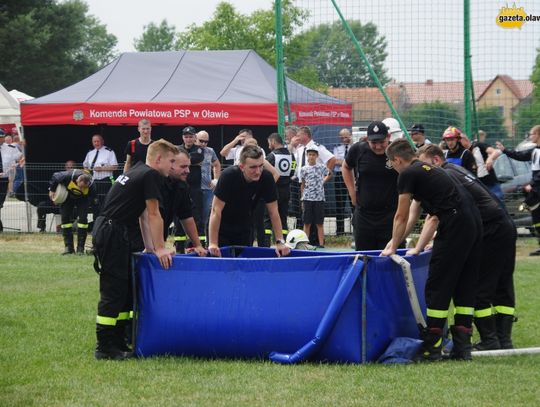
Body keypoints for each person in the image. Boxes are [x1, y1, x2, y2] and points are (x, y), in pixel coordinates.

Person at [381, 139, 482, 362]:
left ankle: (432, 347)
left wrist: (394, 247)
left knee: (438, 284)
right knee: (465, 284)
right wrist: (394, 242)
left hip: (455, 225)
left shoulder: (408, 174)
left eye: (392, 164)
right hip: (474, 223)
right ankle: (462, 348)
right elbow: (416, 216)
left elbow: (402, 215)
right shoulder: (429, 171)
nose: (394, 168)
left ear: (397, 160)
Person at [417, 144, 517, 350]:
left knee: (480, 285)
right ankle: (503, 339)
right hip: (505, 224)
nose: (423, 172)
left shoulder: (445, 175)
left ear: (435, 160)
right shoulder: (457, 170)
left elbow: (443, 213)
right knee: (502, 285)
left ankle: (490, 340)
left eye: (425, 165)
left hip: (490, 228)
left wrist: (424, 243)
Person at [92, 139, 178, 360]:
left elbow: (141, 215)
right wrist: (160, 248)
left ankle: (119, 340)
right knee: (114, 289)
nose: (172, 166)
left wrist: (149, 247)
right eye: (171, 161)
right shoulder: (150, 175)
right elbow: (153, 214)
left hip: (113, 230)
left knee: (125, 288)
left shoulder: (138, 170)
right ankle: (105, 346)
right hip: (113, 231)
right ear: (158, 159)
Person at [208, 145, 290, 258]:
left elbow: (274, 211)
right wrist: (213, 243)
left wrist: (280, 241)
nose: (258, 171)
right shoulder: (229, 175)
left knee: (243, 266)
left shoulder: (266, 178)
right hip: (222, 226)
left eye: (261, 166)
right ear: (242, 167)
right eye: (253, 167)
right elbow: (216, 211)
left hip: (245, 226)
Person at [342, 121, 400, 251]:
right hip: (364, 215)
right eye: (374, 142)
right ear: (367, 140)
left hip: (391, 215)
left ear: (389, 137)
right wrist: (352, 193)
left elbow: (410, 172)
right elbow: (346, 167)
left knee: (390, 257)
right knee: (365, 257)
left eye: (382, 142)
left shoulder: (397, 152)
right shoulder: (358, 150)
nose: (378, 146)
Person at [496, 125, 540, 256]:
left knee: (534, 212)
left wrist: (532, 184)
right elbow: (519, 155)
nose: (530, 136)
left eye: (531, 134)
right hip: (536, 189)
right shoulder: (534, 151)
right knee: (536, 217)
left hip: (537, 189)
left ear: (538, 134)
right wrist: (505, 150)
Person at [160, 148, 207, 257]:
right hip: (129, 237)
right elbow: (150, 217)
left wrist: (198, 245)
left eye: (188, 166)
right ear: (169, 164)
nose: (188, 171)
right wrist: (159, 247)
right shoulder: (154, 181)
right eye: (183, 167)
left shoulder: (181, 186)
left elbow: (186, 217)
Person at [294, 126, 336, 244]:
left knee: (318, 221)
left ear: (306, 135)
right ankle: (303, 242)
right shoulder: (300, 148)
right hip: (304, 188)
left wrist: (322, 180)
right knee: (304, 218)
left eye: (299, 134)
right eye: (310, 155)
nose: (297, 137)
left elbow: (332, 159)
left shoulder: (317, 147)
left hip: (317, 192)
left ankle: (317, 241)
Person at [49, 169, 95, 255]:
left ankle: (80, 249)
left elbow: (92, 198)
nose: (81, 189)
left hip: (83, 199)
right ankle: (68, 248)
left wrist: (85, 207)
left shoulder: (92, 185)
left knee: (83, 221)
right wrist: (52, 190)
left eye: (84, 188)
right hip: (68, 197)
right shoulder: (67, 176)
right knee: (65, 219)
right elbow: (55, 176)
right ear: (77, 180)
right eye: (80, 186)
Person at [173, 126, 205, 252]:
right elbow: (176, 160)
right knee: (178, 219)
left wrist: (182, 160)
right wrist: (189, 160)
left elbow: (198, 158)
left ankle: (198, 245)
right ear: (182, 137)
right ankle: (179, 248)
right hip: (180, 188)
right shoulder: (177, 149)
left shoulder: (199, 150)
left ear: (194, 137)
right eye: (186, 136)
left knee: (197, 218)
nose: (188, 139)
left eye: (191, 136)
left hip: (195, 189)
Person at [300, 145, 332, 247]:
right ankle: (305, 243)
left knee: (319, 223)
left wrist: (323, 181)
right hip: (307, 198)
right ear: (307, 155)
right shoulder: (303, 169)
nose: (311, 157)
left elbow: (330, 173)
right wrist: (302, 198)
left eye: (313, 155)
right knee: (307, 223)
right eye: (309, 154)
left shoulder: (321, 167)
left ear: (317, 156)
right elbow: (303, 184)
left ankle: (321, 244)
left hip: (319, 198)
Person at [460, 132, 503, 200]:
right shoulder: (462, 153)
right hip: (477, 187)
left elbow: (496, 152)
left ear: (465, 139)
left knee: (498, 205)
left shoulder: (478, 145)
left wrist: (490, 158)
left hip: (491, 184)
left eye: (459, 140)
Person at [36, 160, 76, 233]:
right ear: (65, 167)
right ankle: (42, 228)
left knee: (74, 210)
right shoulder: (59, 177)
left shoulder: (76, 179)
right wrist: (54, 200)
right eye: (68, 167)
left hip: (69, 205)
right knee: (41, 206)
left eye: (71, 167)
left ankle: (64, 228)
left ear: (75, 168)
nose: (69, 168)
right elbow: (50, 192)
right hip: (56, 203)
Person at [83, 134, 118, 217]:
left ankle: (106, 220)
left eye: (98, 141)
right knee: (95, 202)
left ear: (102, 141)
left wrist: (101, 169)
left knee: (105, 201)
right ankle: (96, 221)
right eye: (94, 141)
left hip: (105, 180)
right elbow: (85, 165)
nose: (96, 143)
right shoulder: (90, 153)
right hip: (94, 181)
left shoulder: (109, 152)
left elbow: (115, 167)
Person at [266, 133, 293, 240]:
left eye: (269, 143)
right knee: (283, 217)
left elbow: (265, 171)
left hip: (273, 189)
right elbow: (292, 172)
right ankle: (284, 240)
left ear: (273, 141)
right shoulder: (291, 155)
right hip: (286, 190)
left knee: (267, 217)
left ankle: (266, 242)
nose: (268, 146)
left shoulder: (272, 156)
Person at [195, 130, 221, 233]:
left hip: (207, 188)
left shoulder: (210, 151)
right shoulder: (191, 150)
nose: (203, 144)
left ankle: (203, 240)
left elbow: (217, 164)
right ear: (196, 139)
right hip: (194, 187)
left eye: (206, 142)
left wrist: (216, 179)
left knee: (205, 216)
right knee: (194, 215)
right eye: (201, 141)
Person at [0, 129, 23, 232]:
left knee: (0, 203)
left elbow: (21, 157)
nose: (1, 139)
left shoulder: (11, 148)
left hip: (3, 180)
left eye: (1, 137)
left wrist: (18, 163)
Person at [333, 128, 353, 235]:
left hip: (352, 176)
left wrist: (343, 162)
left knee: (353, 203)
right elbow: (335, 161)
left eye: (346, 136)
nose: (344, 139)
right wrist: (349, 162)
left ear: (350, 136)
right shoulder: (337, 148)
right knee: (340, 204)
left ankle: (356, 230)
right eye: (342, 137)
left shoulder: (354, 147)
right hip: (340, 176)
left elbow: (341, 161)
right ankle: (339, 231)